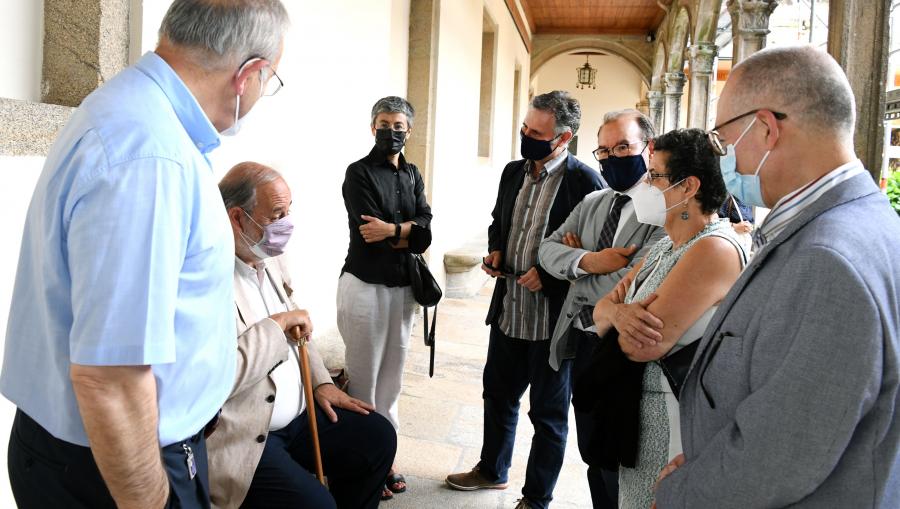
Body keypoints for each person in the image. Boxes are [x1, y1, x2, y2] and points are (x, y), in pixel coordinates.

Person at [0, 1, 289, 508]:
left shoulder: (132, 110)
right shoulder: (150, 155)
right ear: (249, 74)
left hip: (93, 451)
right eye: (272, 81)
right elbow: (110, 378)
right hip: (119, 463)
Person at [653, 46, 900, 508]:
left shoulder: (827, 260)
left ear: (765, 128)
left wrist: (680, 493)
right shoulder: (863, 221)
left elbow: (774, 460)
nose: (726, 160)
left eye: (725, 141)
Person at [446, 91, 604, 509]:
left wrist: (551, 278)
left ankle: (536, 498)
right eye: (524, 128)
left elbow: (597, 260)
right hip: (509, 310)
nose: (526, 136)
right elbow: (500, 220)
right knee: (497, 395)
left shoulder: (586, 183)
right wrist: (498, 249)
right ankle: (491, 470)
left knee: (548, 417)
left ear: (563, 137)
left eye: (536, 132)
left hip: (553, 324)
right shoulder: (513, 171)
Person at [207, 162, 397, 509]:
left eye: (288, 211)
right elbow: (219, 376)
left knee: (377, 438)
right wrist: (276, 325)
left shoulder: (270, 258)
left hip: (297, 416)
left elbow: (300, 333)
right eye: (276, 214)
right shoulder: (207, 279)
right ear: (237, 219)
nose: (286, 224)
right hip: (247, 435)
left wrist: (321, 382)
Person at [587, 128, 748, 508]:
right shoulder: (665, 245)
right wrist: (616, 312)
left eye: (655, 175)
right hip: (636, 410)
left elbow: (640, 344)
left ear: (688, 187)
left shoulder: (713, 249)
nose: (644, 184)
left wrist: (616, 315)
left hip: (672, 419)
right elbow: (599, 311)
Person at [537, 109, 666, 508]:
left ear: (649, 148)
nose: (613, 157)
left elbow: (634, 286)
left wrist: (576, 270)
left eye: (624, 147)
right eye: (604, 150)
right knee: (592, 450)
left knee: (621, 456)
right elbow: (546, 250)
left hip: (625, 348)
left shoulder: (663, 211)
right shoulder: (594, 202)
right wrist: (593, 262)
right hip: (583, 341)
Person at [337, 95, 432, 496]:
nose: (390, 131)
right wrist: (407, 232)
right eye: (383, 123)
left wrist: (397, 230)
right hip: (365, 286)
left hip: (402, 290)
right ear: (371, 126)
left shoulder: (412, 174)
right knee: (363, 380)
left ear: (409, 131)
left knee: (391, 383)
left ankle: (385, 457)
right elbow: (368, 233)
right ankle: (361, 465)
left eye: (398, 126)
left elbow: (425, 228)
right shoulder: (358, 172)